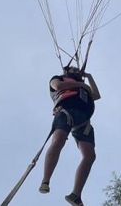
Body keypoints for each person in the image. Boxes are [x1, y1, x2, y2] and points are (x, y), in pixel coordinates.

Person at [40, 65, 101, 206]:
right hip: (67, 111)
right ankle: (46, 180)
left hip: (83, 121)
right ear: (66, 71)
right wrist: (81, 84)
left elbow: (96, 95)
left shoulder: (84, 87)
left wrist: (89, 77)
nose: (76, 72)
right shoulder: (58, 78)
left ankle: (75, 195)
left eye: (77, 71)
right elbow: (58, 86)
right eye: (73, 70)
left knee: (90, 156)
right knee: (59, 140)